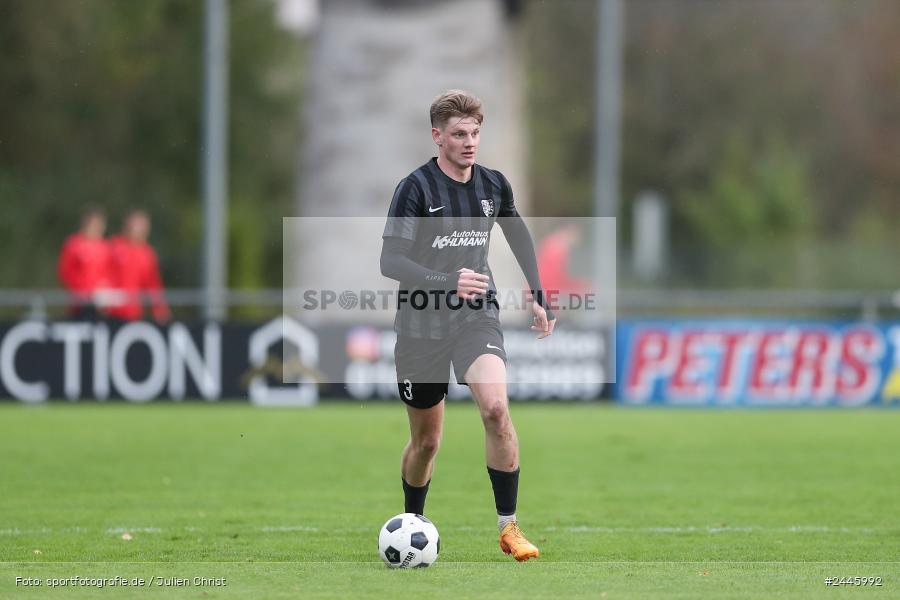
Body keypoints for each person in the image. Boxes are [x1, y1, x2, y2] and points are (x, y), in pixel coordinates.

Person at [380, 90, 555, 562]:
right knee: (427, 441)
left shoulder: (493, 185)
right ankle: (413, 522)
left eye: (475, 133)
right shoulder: (415, 188)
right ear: (437, 136)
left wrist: (538, 293)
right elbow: (390, 261)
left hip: (476, 317)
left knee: (496, 410)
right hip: (420, 328)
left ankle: (509, 527)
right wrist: (446, 281)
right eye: (459, 134)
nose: (470, 142)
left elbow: (518, 233)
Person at [107, 209, 171, 323]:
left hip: (134, 313)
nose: (139, 230)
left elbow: (153, 285)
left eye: (143, 227)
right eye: (136, 226)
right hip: (111, 312)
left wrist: (160, 310)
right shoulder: (114, 247)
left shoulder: (147, 254)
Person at [58, 206, 113, 320]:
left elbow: (110, 273)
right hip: (80, 303)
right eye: (93, 224)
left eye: (99, 225)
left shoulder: (105, 247)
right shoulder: (74, 244)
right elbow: (66, 272)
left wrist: (106, 288)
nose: (97, 228)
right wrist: (83, 291)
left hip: (101, 303)